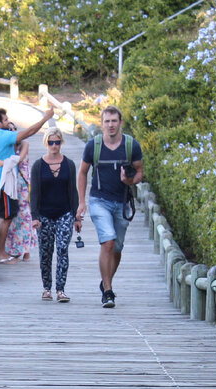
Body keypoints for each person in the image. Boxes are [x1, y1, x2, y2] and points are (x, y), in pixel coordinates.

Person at [76, 105, 143, 308]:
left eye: (114, 121)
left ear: (120, 123)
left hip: (122, 201)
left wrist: (130, 181)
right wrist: (81, 201)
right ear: (102, 123)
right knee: (108, 242)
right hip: (99, 200)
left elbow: (139, 172)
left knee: (117, 247)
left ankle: (107, 282)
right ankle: (107, 291)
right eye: (107, 121)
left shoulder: (131, 145)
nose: (111, 125)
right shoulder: (93, 146)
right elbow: (82, 173)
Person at [0, 106, 54, 262]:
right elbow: (29, 132)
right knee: (6, 217)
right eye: (6, 120)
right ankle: (0, 253)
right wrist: (45, 118)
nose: (8, 123)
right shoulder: (2, 135)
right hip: (4, 183)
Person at [29, 128, 81, 302]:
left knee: (62, 249)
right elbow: (34, 192)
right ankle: (46, 288)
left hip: (64, 213)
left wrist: (76, 216)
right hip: (44, 215)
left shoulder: (69, 164)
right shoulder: (38, 165)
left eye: (57, 142)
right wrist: (34, 216)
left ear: (61, 143)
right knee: (46, 252)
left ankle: (60, 289)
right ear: (46, 143)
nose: (54, 145)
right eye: (51, 142)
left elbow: (72, 191)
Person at [2, 123, 37, 263]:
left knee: (25, 215)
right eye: (8, 130)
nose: (11, 131)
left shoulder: (24, 144)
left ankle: (27, 249)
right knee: (12, 217)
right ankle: (14, 250)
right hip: (10, 184)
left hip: (22, 184)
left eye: (13, 129)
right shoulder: (6, 147)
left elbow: (19, 159)